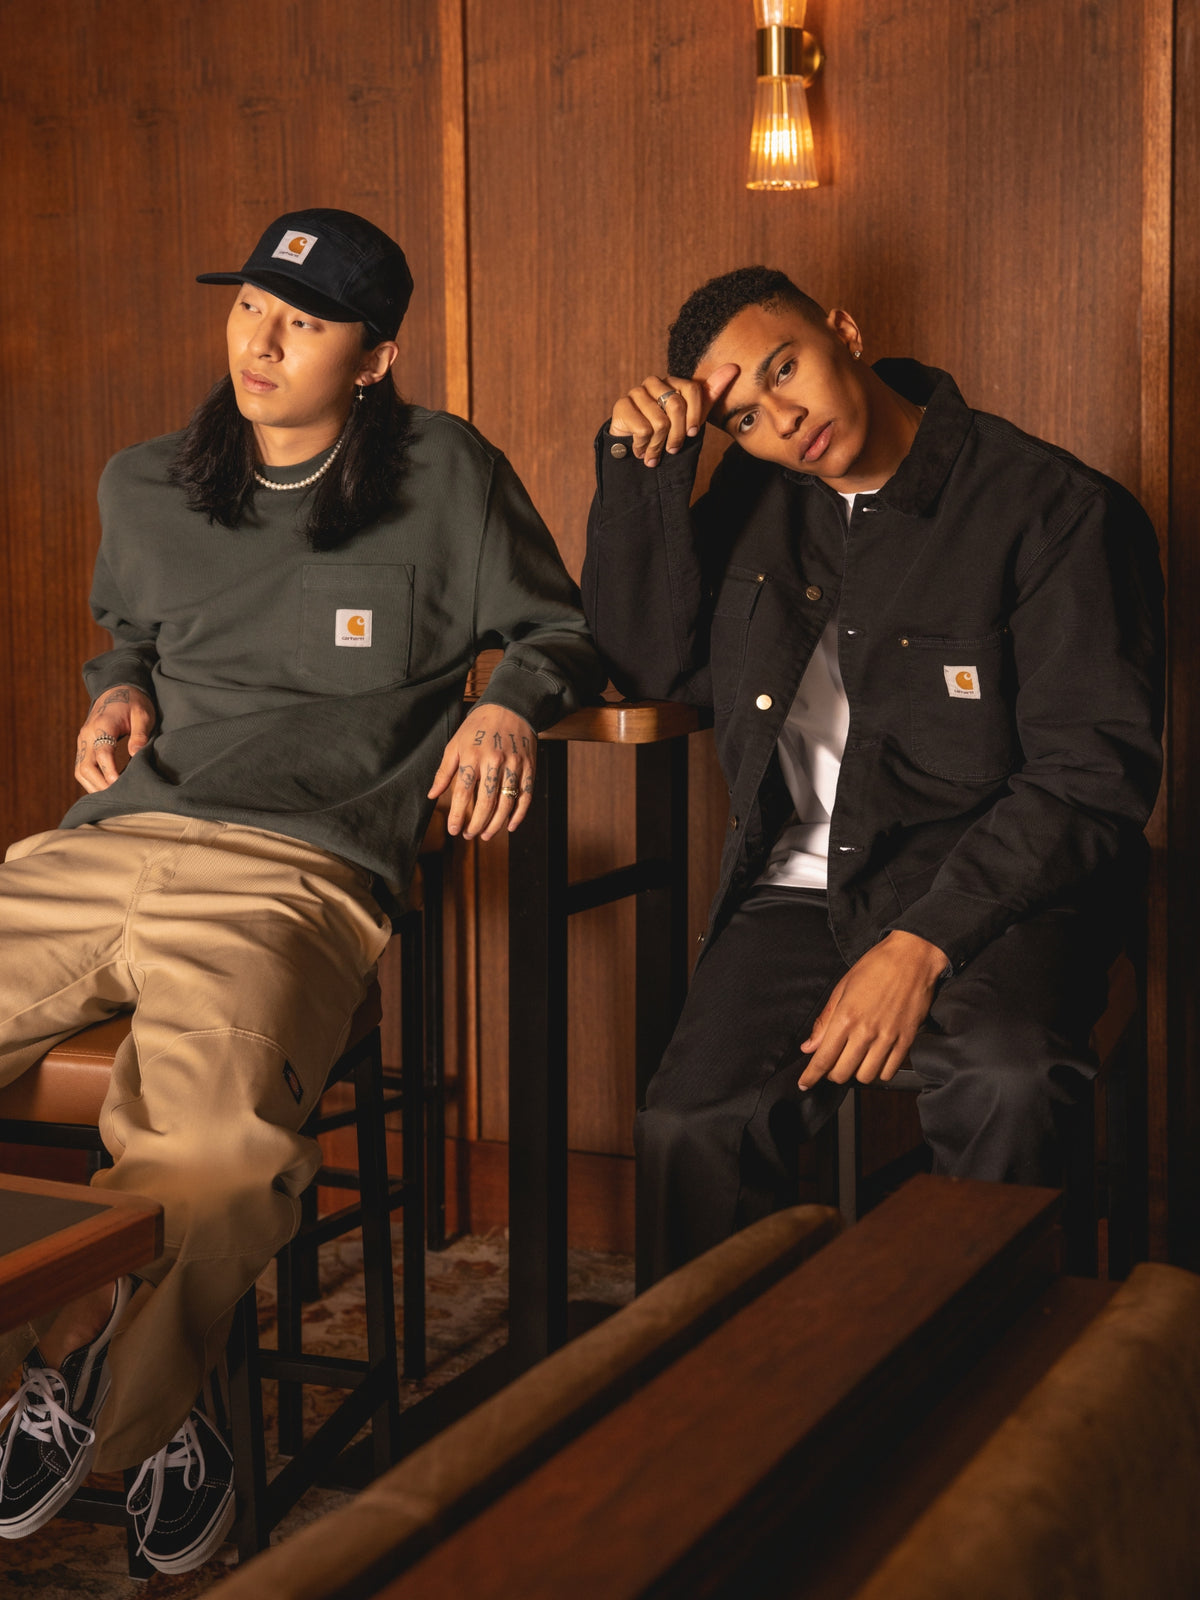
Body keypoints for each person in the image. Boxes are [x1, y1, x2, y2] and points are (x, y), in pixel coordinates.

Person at [0, 208, 602, 1572]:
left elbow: (558, 630)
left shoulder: (446, 474)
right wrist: (116, 694)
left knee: (214, 1153)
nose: (261, 343)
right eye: (251, 308)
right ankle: (168, 1411)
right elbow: (130, 636)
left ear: (374, 357)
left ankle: (85, 1373)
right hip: (97, 851)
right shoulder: (144, 482)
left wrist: (505, 704)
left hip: (292, 873)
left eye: (306, 323)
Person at [583, 266, 1163, 1286]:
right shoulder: (752, 501)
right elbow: (649, 666)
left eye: (785, 369)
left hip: (1003, 897)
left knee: (1006, 1081)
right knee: (689, 1124)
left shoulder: (1053, 507)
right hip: (802, 891)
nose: (782, 420)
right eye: (744, 417)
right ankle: (729, 1382)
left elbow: (1089, 775)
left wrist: (920, 945)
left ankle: (988, 1366)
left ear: (844, 331)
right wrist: (644, 474)